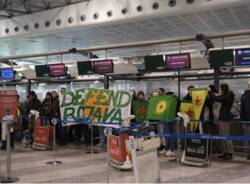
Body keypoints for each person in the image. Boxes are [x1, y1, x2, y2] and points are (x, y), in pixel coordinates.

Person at [209, 83, 235, 160]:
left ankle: (230, 153)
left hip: (225, 119)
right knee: (222, 136)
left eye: (220, 89)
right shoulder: (226, 95)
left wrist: (210, 92)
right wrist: (213, 89)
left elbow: (216, 98)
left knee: (226, 136)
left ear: (223, 89)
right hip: (221, 119)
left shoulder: (228, 96)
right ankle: (225, 152)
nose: (220, 90)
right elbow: (218, 96)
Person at [240, 81, 250, 160]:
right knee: (247, 138)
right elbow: (242, 110)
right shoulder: (245, 96)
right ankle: (248, 153)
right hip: (247, 122)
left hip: (246, 121)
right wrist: (243, 121)